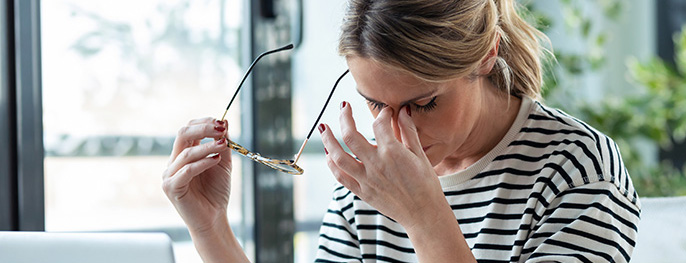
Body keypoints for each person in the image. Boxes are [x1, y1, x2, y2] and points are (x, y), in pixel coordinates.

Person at [162, 0, 640, 262]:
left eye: (424, 103)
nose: (393, 131)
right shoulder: (369, 184)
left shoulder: (576, 169)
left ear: (487, 54)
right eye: (375, 103)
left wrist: (425, 218)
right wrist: (210, 228)